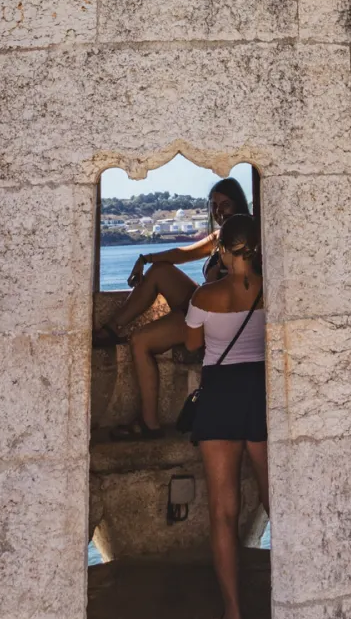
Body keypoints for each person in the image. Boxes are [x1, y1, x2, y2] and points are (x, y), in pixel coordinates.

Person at [97, 177, 250, 440]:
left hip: (218, 317)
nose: (219, 211)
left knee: (140, 341)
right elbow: (184, 253)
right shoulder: (219, 237)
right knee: (159, 271)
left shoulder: (248, 239)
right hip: (204, 304)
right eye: (214, 205)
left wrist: (216, 279)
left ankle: (149, 423)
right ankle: (112, 328)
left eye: (225, 204)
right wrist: (145, 258)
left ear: (238, 203)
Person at [182, 213, 268, 619]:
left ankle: (232, 614)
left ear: (223, 249)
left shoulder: (205, 295)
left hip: (219, 397)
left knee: (223, 513)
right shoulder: (274, 289)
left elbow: (192, 344)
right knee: (279, 504)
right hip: (261, 394)